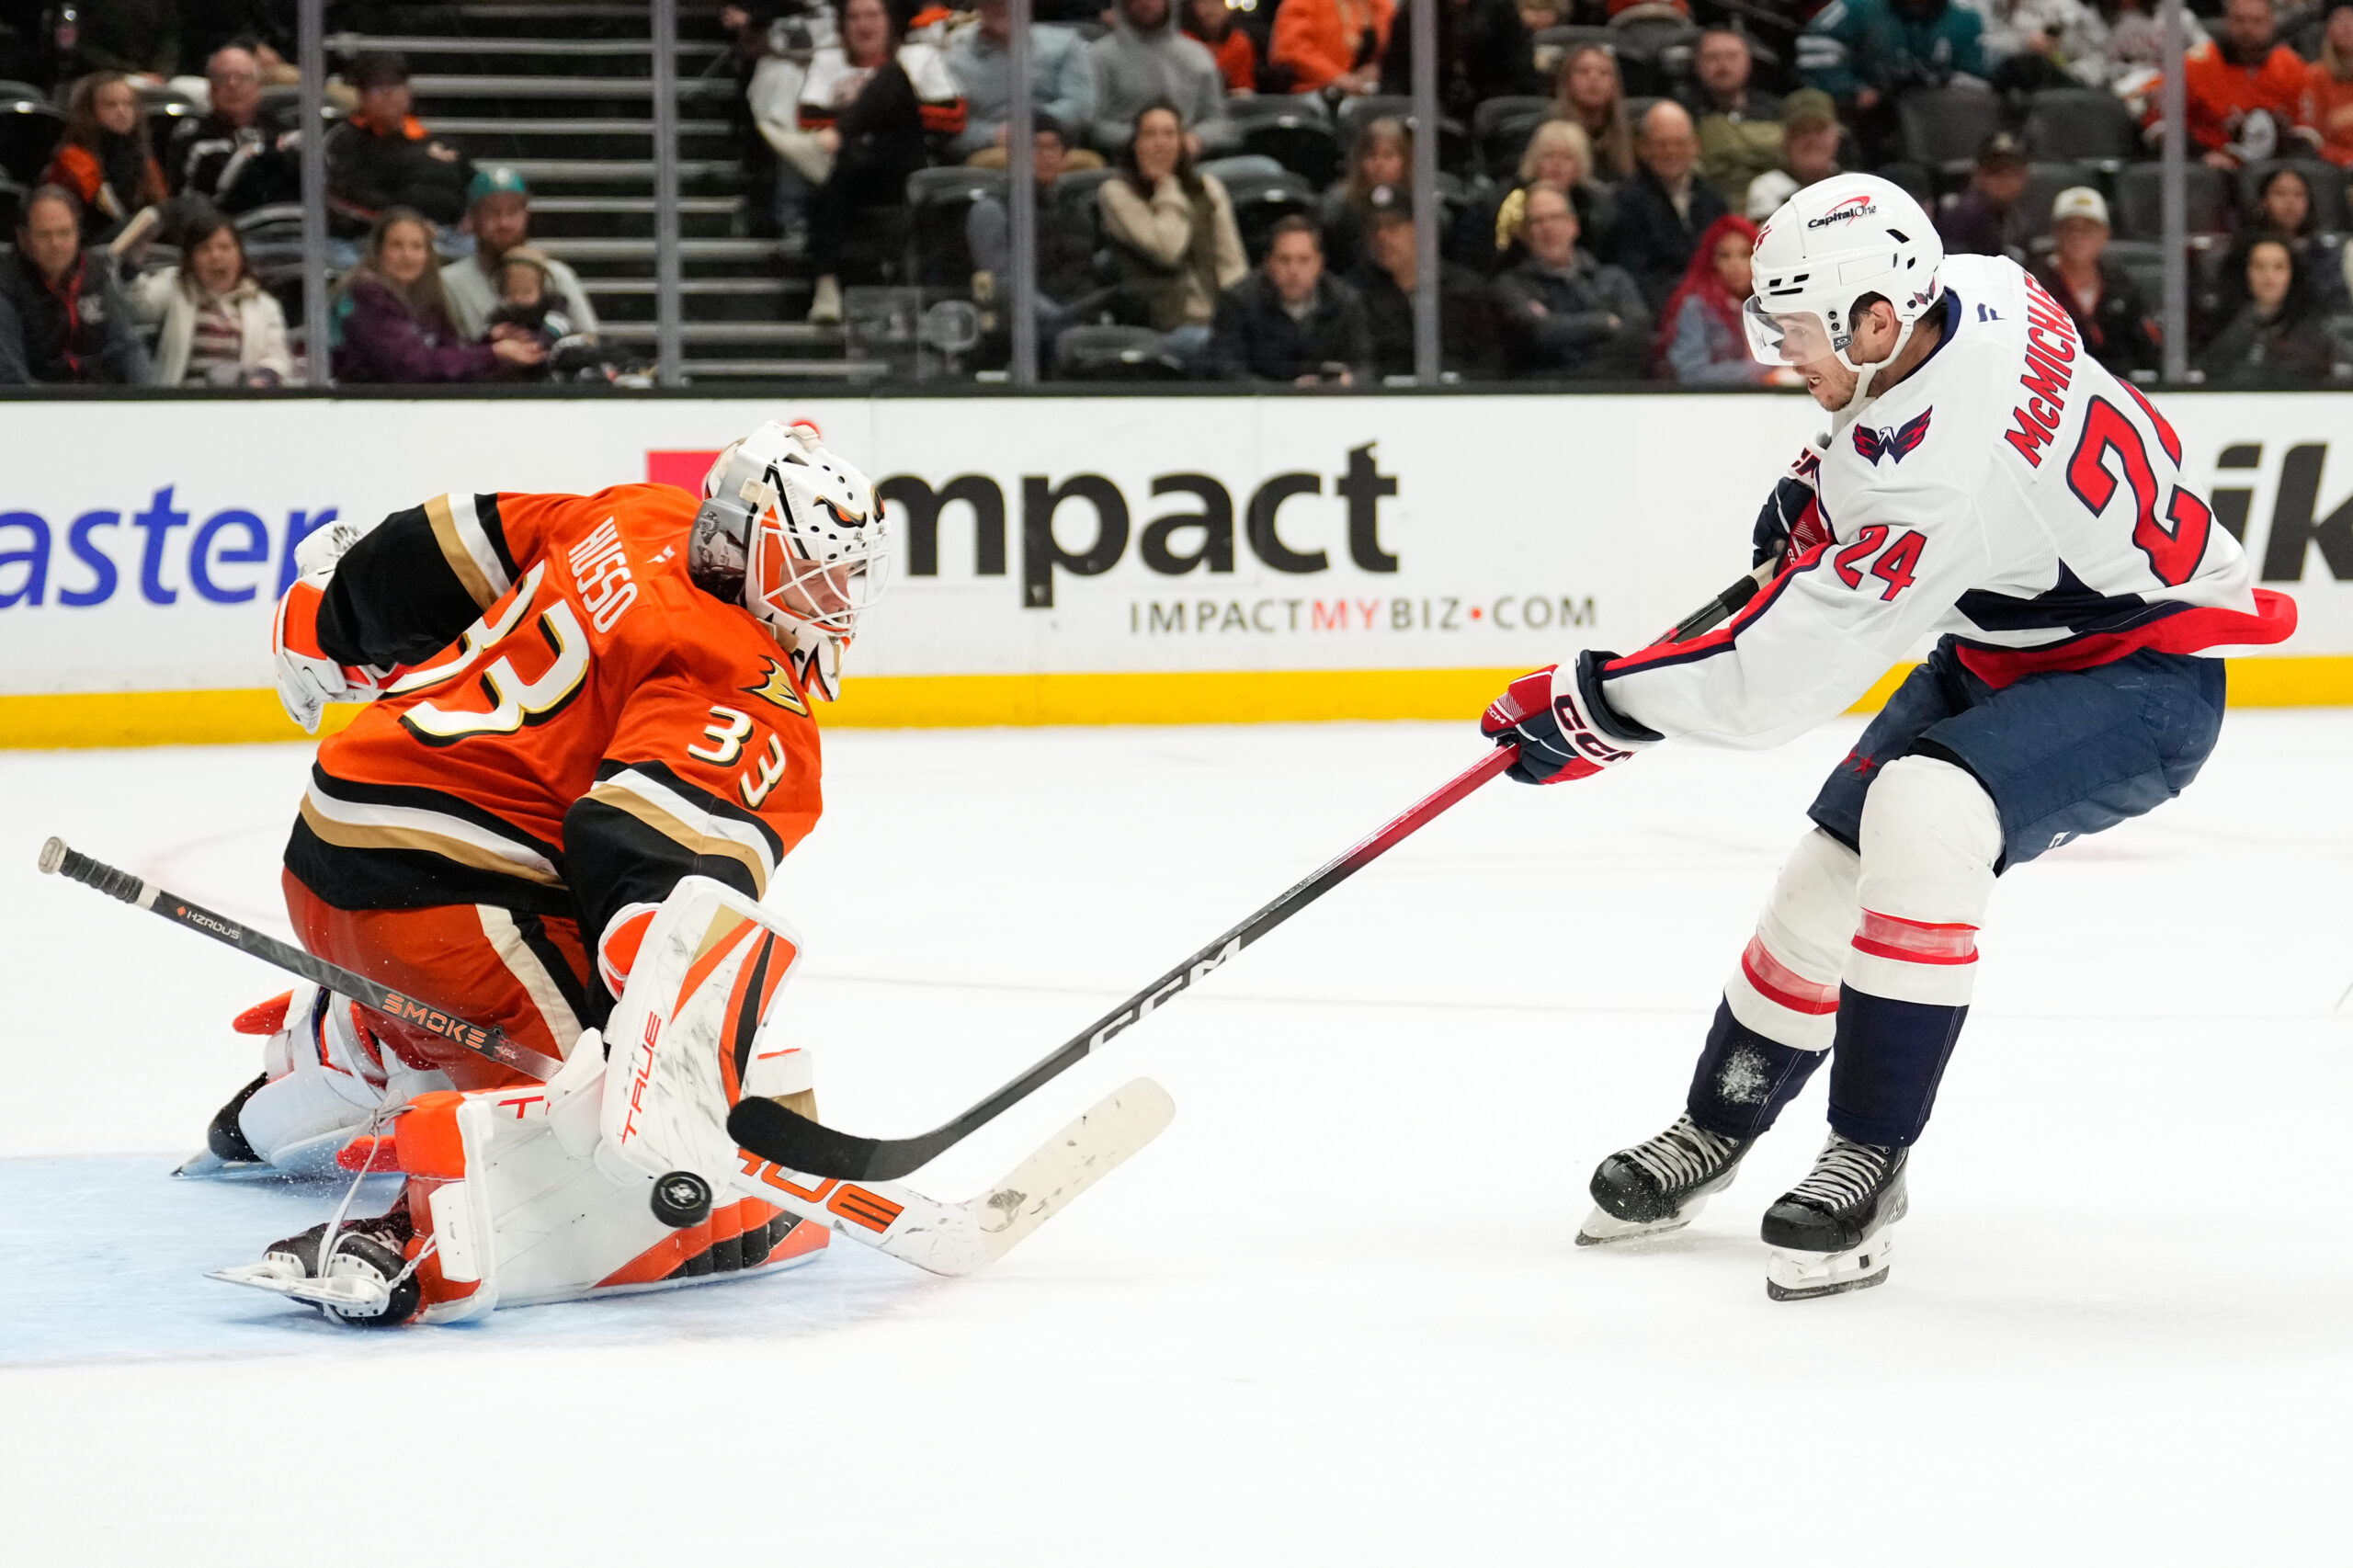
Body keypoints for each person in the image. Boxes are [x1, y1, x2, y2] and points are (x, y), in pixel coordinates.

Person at [1477, 173, 2292, 1302]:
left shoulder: (1930, 484)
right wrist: (1820, 484)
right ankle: (1717, 1123)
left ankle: (1867, 1153)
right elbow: (1896, 427)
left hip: (2142, 678)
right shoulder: (1975, 285)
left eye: (1795, 330)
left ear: (1872, 318)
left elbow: (1773, 681)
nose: (1780, 352)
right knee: (1826, 877)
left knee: (1923, 813)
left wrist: (1598, 704)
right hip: (2011, 642)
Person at [202, 421, 896, 1324]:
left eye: (845, 574)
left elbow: (441, 547)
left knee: (555, 969)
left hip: (329, 849)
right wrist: (657, 1048)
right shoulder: (742, 681)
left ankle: (359, 1041)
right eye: (809, 572)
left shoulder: (630, 516)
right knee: (594, 1117)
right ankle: (404, 1239)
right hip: (448, 909)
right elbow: (640, 852)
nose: (833, 600)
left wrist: (331, 621)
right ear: (737, 544)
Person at [797, 0, 969, 324]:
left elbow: (952, 117)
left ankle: (835, 139)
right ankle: (826, 287)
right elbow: (807, 117)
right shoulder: (828, 60)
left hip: (903, 163)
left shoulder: (918, 57)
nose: (864, 25)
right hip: (852, 167)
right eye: (854, 17)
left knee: (893, 76)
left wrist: (882, 106)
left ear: (890, 21)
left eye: (872, 15)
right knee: (837, 177)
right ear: (843, 25)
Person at [1099, 100, 1246, 360]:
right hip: (1159, 325)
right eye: (1150, 134)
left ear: (1182, 142)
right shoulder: (1116, 193)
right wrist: (1167, 187)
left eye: (1169, 134)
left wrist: (1239, 318)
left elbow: (1231, 262)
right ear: (1135, 144)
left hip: (1214, 319)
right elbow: (1168, 249)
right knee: (1207, 346)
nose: (1160, 143)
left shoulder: (1208, 188)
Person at [331, 207, 545, 383]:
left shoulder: (427, 296)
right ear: (378, 251)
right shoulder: (365, 296)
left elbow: (448, 351)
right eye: (396, 246)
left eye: (417, 247)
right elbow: (413, 365)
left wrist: (489, 341)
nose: (407, 256)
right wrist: (492, 354)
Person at [966, 115, 1110, 365]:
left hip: (1084, 315)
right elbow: (1004, 284)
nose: (1047, 155)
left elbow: (1090, 267)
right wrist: (1062, 318)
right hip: (1028, 328)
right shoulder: (992, 209)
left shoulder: (1078, 207)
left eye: (1054, 146)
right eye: (1036, 146)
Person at [1488, 179, 1648, 377]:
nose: (1548, 228)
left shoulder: (1614, 279)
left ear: (1574, 225)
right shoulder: (1510, 285)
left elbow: (1637, 334)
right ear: (1524, 233)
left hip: (1611, 388)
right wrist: (1605, 323)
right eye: (1537, 221)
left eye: (1556, 217)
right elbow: (1537, 334)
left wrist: (1562, 329)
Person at [126, 202, 295, 386]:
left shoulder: (263, 305)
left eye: (225, 247)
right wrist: (131, 265)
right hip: (181, 398)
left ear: (240, 255)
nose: (215, 256)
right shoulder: (175, 286)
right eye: (205, 249)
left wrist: (263, 378)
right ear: (191, 259)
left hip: (238, 398)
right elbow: (138, 306)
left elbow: (277, 357)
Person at [0, 186, 152, 383]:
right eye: (44, 235)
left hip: (98, 395)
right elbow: (11, 376)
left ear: (78, 233)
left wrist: (147, 395)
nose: (56, 243)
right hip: (39, 397)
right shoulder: (6, 288)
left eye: (64, 232)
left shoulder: (95, 273)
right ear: (24, 239)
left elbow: (126, 346)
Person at [1800, 0, 1986, 158]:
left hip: (1936, 129)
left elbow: (1977, 80)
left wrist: (1943, 88)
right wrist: (1851, 90)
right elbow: (1815, 48)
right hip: (1864, 128)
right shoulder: (1855, 9)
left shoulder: (1965, 20)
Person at [1348, 183, 1499, 379]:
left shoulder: (1466, 290)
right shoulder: (1353, 293)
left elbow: (1490, 360)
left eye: (1393, 225)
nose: (1381, 236)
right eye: (1373, 227)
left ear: (1419, 228)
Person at [439, 166, 601, 345]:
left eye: (513, 212)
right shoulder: (449, 282)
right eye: (492, 212)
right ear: (472, 218)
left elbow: (590, 340)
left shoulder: (556, 275)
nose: (504, 223)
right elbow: (443, 351)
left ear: (526, 216)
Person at [324, 52, 473, 235]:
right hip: (378, 239)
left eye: (395, 84)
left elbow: (475, 186)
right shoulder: (347, 141)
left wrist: (476, 214)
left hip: (455, 236)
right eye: (377, 86)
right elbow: (342, 195)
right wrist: (406, 225)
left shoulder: (444, 143)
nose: (388, 93)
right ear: (362, 96)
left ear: (408, 92)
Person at [1210, 213, 1371, 381]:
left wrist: (1346, 382)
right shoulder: (1238, 302)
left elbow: (1365, 365)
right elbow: (1226, 369)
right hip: (1263, 396)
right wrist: (1285, 393)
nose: (1293, 271)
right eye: (1284, 260)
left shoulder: (1346, 302)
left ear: (1319, 263)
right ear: (1268, 263)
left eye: (1304, 260)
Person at [1608, 100, 1731, 312]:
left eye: (1679, 143)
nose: (1671, 151)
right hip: (1661, 309)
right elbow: (1634, 275)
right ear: (1643, 148)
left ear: (1695, 146)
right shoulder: (1626, 202)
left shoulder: (1713, 198)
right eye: (1661, 144)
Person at [944, 0, 1098, 163]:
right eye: (993, 2)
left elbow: (1080, 107)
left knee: (1087, 163)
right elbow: (950, 131)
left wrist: (1031, 129)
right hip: (992, 155)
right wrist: (993, 135)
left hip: (1057, 149)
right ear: (978, 5)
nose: (1003, 7)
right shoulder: (954, 63)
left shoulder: (1064, 44)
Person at [2030, 186, 2158, 377]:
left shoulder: (2121, 285)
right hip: (2053, 383)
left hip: (2115, 385)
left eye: (2088, 228)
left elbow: (2148, 349)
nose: (2077, 236)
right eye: (2069, 227)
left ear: (2104, 234)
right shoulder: (2035, 285)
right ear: (2055, 232)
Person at [2173, 0, 2313, 170]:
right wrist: (2202, 155)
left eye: (2257, 21)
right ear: (2226, 21)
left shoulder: (2292, 66)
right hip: (2212, 167)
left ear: (2272, 23)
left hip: (2275, 169)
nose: (2247, 29)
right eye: (2239, 20)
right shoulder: (2195, 64)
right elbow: (2163, 124)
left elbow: (2305, 130)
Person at [1467, 119, 1616, 274]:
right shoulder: (1501, 202)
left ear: (1580, 165)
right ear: (1534, 160)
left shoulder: (1595, 208)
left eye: (1568, 157)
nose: (1557, 165)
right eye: (1549, 156)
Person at [168, 43, 301, 213]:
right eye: (222, 78)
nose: (233, 85)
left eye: (243, 78)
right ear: (211, 88)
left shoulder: (284, 129)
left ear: (258, 86)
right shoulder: (192, 136)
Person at [1654, 211, 1782, 383]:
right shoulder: (1696, 308)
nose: (1735, 265)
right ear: (1711, 261)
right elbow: (1692, 374)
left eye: (1745, 254)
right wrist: (1764, 369)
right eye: (1725, 256)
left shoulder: (1771, 305)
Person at [41, 72, 169, 244]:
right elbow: (104, 208)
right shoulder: (74, 157)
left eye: (128, 104)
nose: (122, 111)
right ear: (89, 111)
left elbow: (160, 203)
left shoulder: (142, 156)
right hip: (89, 238)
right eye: (111, 105)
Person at [1088, 0, 1228, 156]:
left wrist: (1194, 139)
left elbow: (1217, 120)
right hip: (1120, 160)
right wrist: (1143, 140)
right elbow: (1092, 124)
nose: (1146, 3)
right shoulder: (1099, 56)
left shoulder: (1198, 55)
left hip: (1190, 159)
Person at [2199, 235, 2334, 383]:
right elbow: (2210, 367)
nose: (2269, 276)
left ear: (2292, 273)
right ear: (2246, 272)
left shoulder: (2312, 328)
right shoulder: (2224, 325)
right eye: (2259, 266)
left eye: (2278, 267)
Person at [1379, 0, 1538, 123]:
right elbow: (1394, 75)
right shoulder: (1415, 12)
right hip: (1429, 110)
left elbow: (1522, 76)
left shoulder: (1501, 9)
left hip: (1491, 105)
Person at [1683, 28, 1785, 210]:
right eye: (1712, 58)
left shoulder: (1777, 111)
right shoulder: (1684, 116)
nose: (1723, 65)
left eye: (1732, 56)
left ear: (1748, 61)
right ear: (1697, 65)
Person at [1321, 116, 1409, 275]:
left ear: (1405, 161)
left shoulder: (1422, 206)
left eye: (1388, 155)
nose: (1379, 164)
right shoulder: (1337, 208)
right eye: (1371, 156)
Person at [1936, 130, 2035, 260]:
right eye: (1994, 170)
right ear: (1977, 175)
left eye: (2012, 171)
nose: (2003, 179)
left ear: (2024, 177)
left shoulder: (2018, 218)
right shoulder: (1963, 217)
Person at [1270, 0, 1393, 97]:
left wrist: (1376, 66)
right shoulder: (1303, 3)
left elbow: (1391, 45)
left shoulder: (1379, 5)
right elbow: (1292, 50)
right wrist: (1337, 78)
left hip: (1366, 91)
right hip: (1313, 91)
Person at [1553, 43, 1634, 180]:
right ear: (1567, 81)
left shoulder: (1631, 134)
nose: (1593, 78)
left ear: (1614, 84)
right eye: (1583, 71)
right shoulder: (1549, 127)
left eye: (1603, 73)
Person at [2302, 4, 2353, 168]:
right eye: (2340, 21)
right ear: (2328, 30)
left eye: (2352, 20)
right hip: (2334, 168)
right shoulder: (2315, 76)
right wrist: (2345, 159)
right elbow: (2313, 138)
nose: (2347, 26)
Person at [1183, 0, 1258, 96]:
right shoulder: (1182, 42)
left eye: (1219, 2)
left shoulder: (1240, 43)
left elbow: (1244, 88)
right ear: (1192, 5)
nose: (1211, 7)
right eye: (1203, 1)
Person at [1779, 89, 1845, 189]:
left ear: (1837, 135)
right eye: (1801, 130)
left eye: (1820, 129)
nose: (1812, 139)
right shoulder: (1767, 189)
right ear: (1785, 139)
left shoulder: (1858, 185)